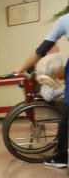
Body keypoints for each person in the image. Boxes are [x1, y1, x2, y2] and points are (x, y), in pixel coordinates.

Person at [16, 13, 69, 168]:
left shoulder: (64, 20)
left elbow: (41, 50)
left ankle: (60, 157)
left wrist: (21, 68)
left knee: (65, 117)